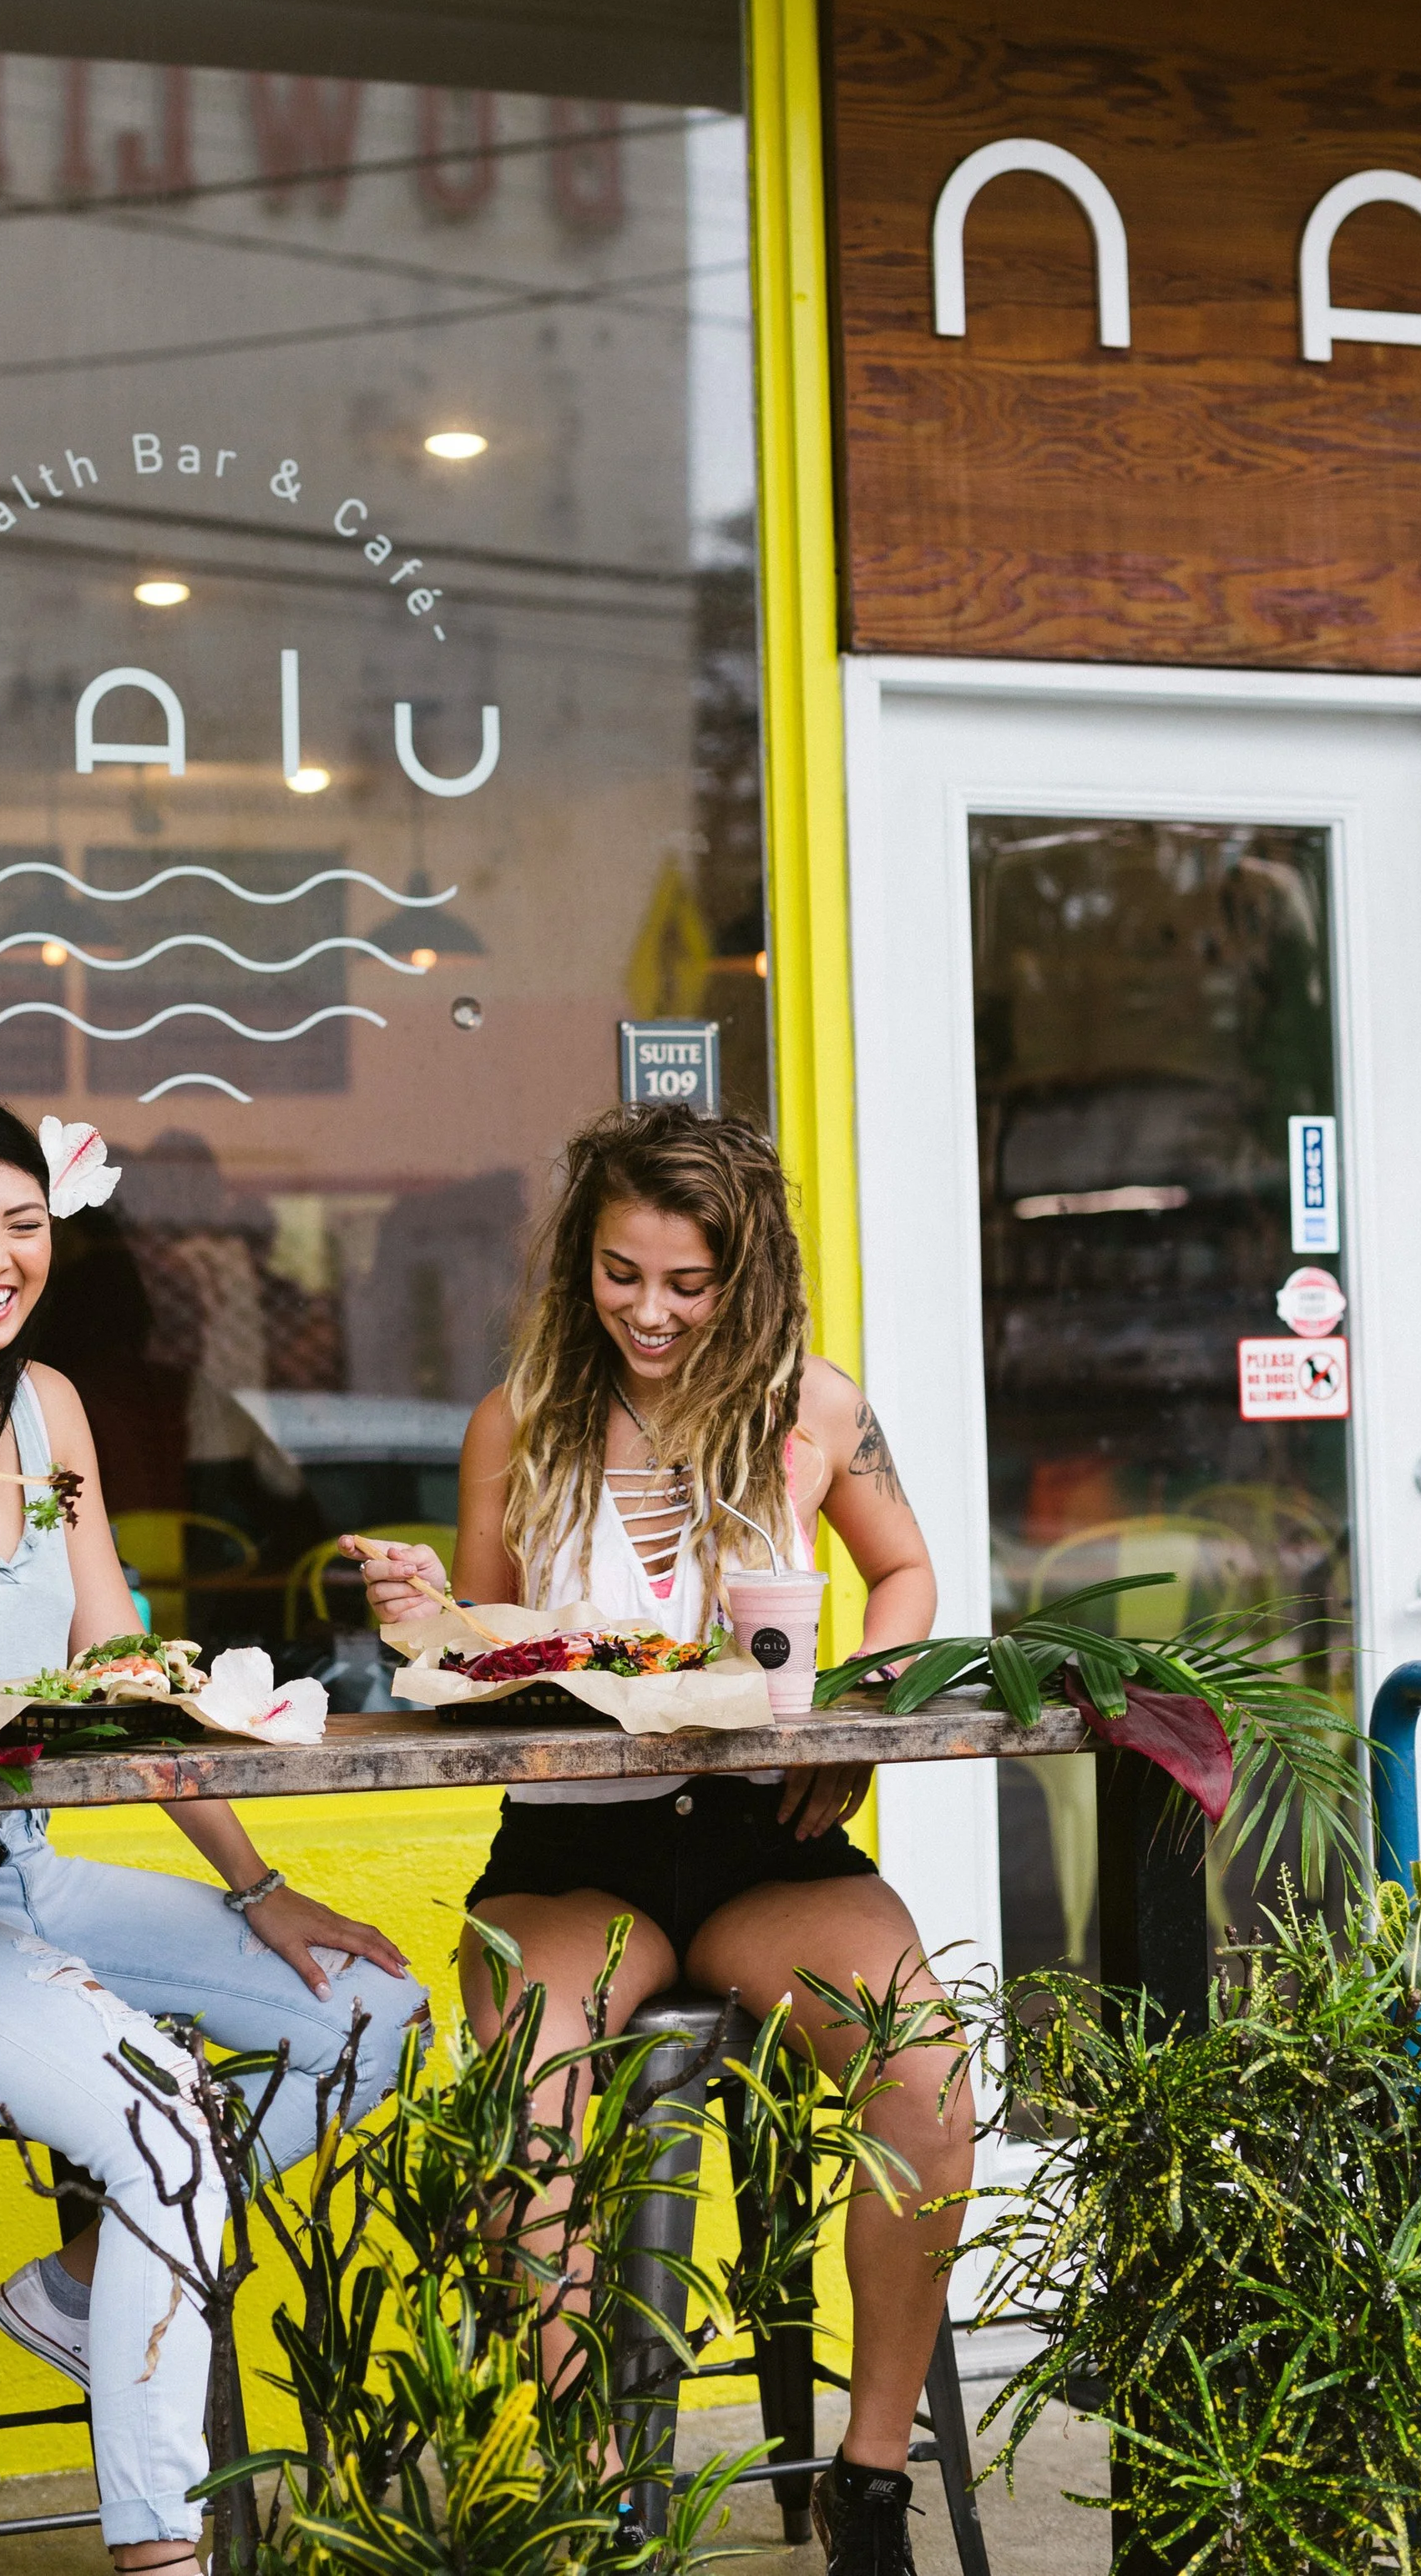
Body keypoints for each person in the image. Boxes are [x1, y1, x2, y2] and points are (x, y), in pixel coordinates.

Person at [0, 1092, 423, 2575]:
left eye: (23, 1225)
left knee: (371, 2008)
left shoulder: (48, 1410)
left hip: (24, 1871)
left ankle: (89, 2273)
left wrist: (264, 1888)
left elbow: (120, 1676)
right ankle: (159, 2552)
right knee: (168, 2109)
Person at [344, 1103, 970, 2576]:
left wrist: (850, 1716)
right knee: (529, 2111)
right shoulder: (519, 1417)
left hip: (766, 1840)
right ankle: (597, 2484)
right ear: (583, 1261)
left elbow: (905, 1572)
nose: (653, 1310)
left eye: (689, 1283)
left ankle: (870, 2474)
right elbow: (488, 1650)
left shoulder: (814, 1406)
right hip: (576, 1850)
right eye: (624, 1274)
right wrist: (424, 1614)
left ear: (745, 1271)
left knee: (928, 2077)